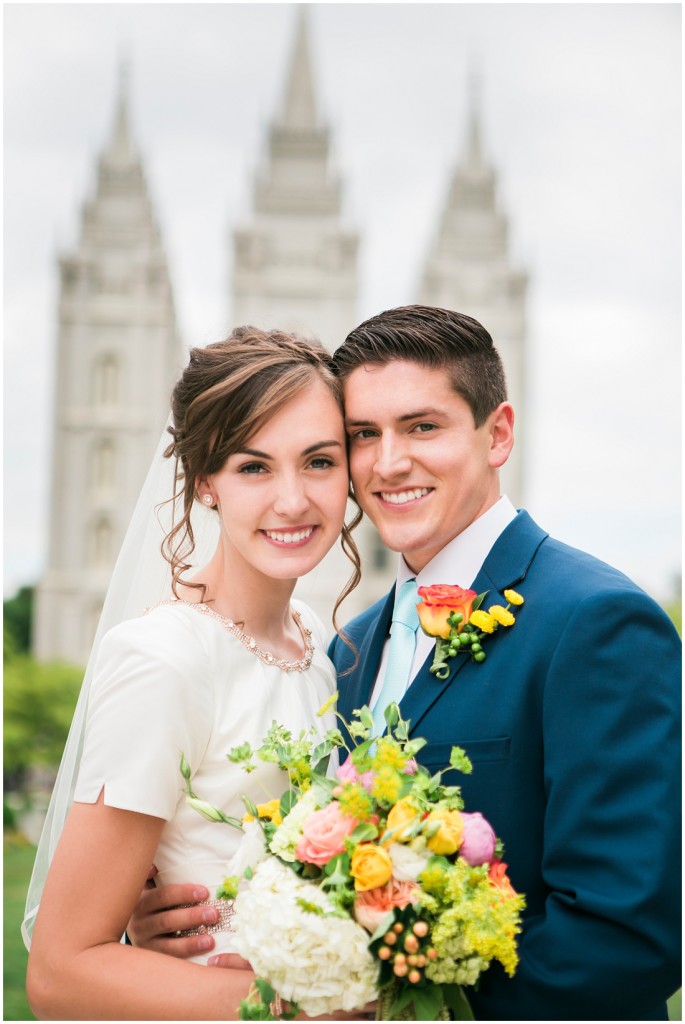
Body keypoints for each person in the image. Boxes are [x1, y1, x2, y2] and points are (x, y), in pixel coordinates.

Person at [134, 306, 681, 1020]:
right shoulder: (350, 648)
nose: (389, 462)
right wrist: (200, 925)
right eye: (363, 435)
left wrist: (386, 1009)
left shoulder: (596, 621)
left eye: (422, 426)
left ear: (498, 434)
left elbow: (623, 941)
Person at [24, 326, 368, 1020]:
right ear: (204, 481)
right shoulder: (164, 659)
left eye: (319, 462)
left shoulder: (321, 647)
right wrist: (304, 1007)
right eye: (253, 467)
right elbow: (60, 973)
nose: (292, 500)